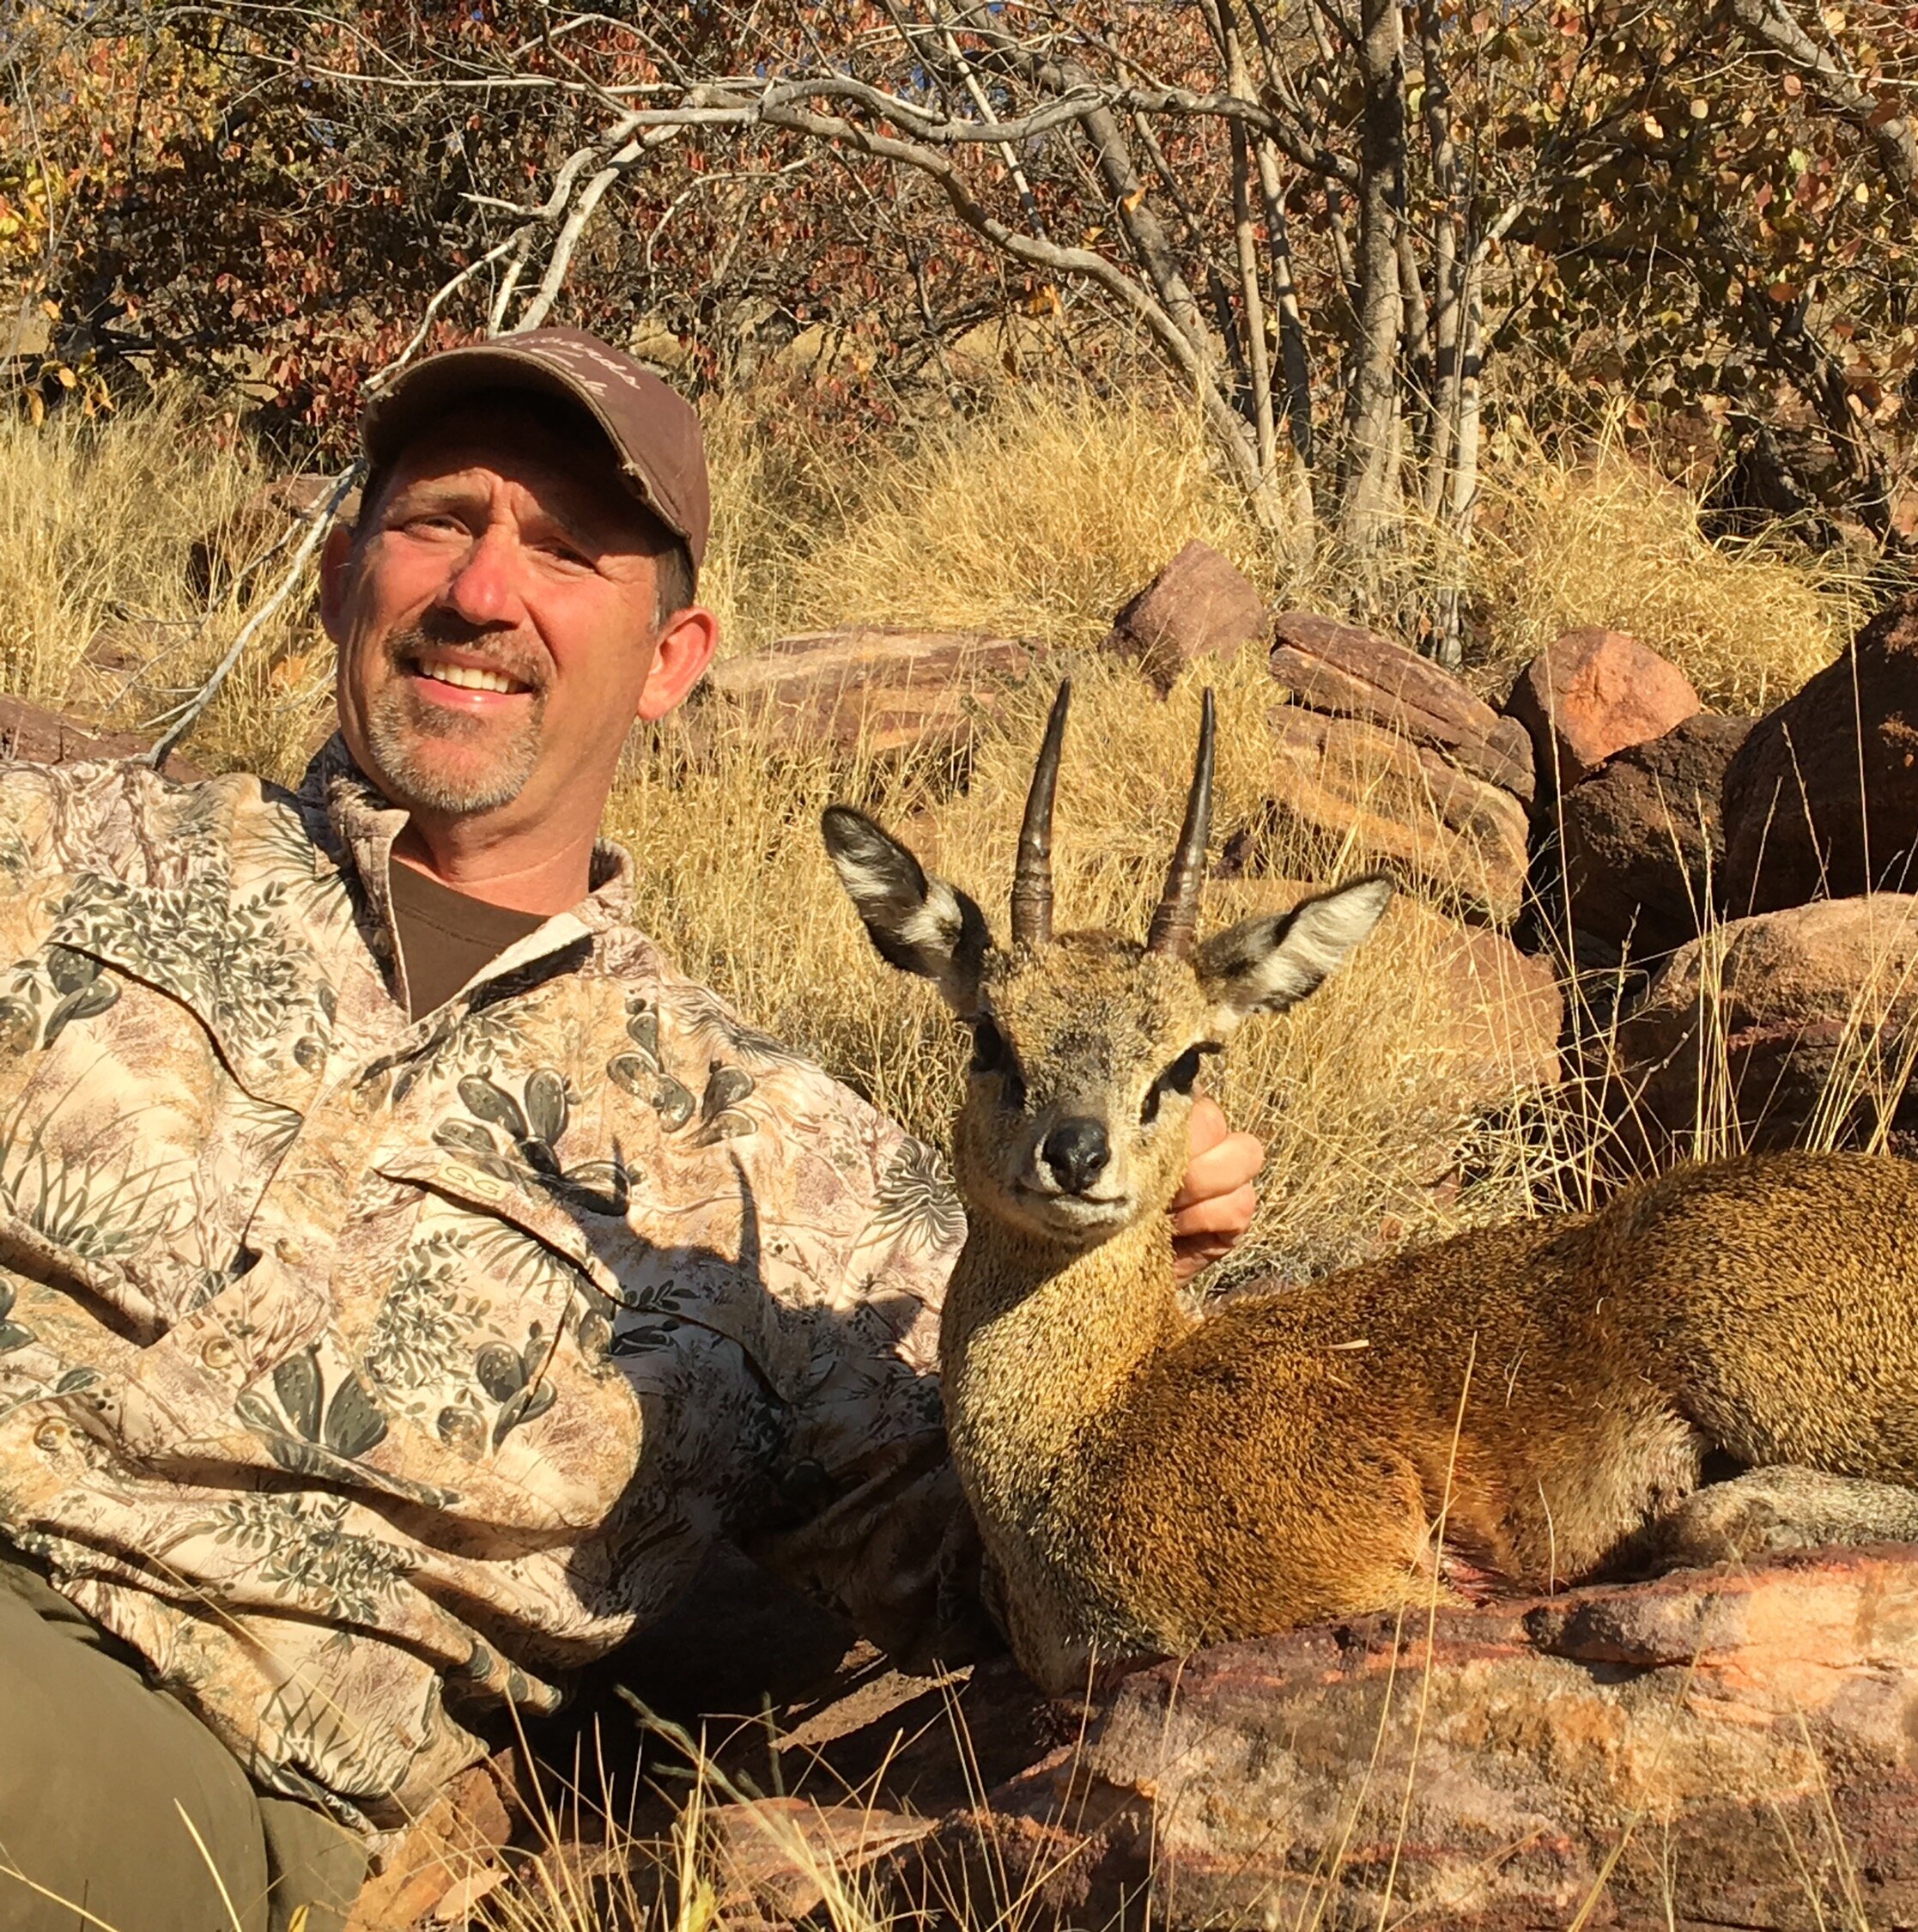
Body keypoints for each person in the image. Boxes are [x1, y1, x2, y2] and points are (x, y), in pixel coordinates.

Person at [0, 330, 1266, 1932]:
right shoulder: (50, 845)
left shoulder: (783, 1174)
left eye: (568, 552)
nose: (480, 592)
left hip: (179, 1748)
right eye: (439, 518)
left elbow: (1044, 1570)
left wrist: (1140, 1259)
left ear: (675, 659)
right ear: (339, 577)